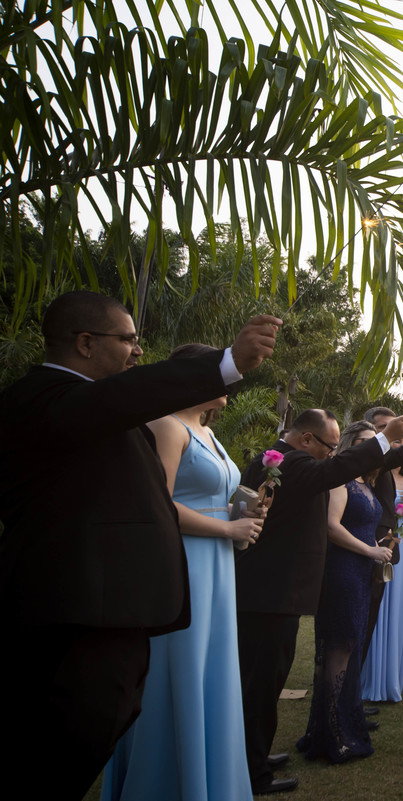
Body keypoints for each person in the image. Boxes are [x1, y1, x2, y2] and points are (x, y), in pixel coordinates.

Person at [0, 291, 277, 799]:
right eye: (127, 339)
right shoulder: (43, 398)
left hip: (118, 610)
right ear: (85, 343)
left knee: (105, 722)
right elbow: (125, 396)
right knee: (63, 743)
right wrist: (227, 363)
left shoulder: (97, 411)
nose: (136, 351)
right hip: (75, 613)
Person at [235, 407, 403, 795]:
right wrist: (385, 438)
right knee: (260, 682)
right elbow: (333, 478)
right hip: (273, 587)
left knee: (267, 681)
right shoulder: (291, 463)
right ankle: (252, 771)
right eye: (329, 446)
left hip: (280, 588)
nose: (331, 454)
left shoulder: (290, 461)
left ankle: (255, 753)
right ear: (306, 439)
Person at [101, 344, 266, 801]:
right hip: (184, 558)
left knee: (212, 668)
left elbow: (213, 496)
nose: (229, 383)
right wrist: (226, 525)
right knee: (182, 667)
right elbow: (155, 504)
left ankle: (213, 779)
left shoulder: (206, 430)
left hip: (216, 560)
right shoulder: (167, 426)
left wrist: (244, 514)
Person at [296, 422, 393, 763]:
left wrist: (378, 546)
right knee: (338, 649)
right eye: (366, 442)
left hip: (360, 572)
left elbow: (358, 526)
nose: (372, 448)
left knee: (348, 648)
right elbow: (330, 526)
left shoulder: (367, 483)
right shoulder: (340, 480)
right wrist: (369, 551)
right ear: (351, 446)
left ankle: (329, 730)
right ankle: (335, 736)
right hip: (342, 572)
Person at [361, 427, 403, 702]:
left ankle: (397, 674)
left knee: (400, 605)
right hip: (383, 540)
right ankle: (372, 676)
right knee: (381, 602)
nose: (402, 446)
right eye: (397, 441)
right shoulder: (378, 474)